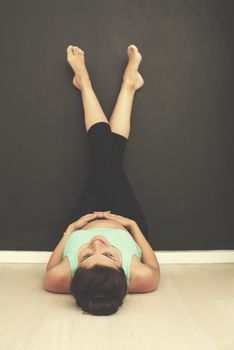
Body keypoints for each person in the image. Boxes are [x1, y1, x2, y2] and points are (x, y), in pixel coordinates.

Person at [44, 44, 160, 316]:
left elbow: (50, 269)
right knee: (107, 159)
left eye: (85, 256)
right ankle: (89, 83)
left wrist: (73, 229)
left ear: (75, 275)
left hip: (85, 214)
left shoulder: (60, 281)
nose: (97, 244)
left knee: (106, 158)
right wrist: (130, 225)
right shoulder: (140, 279)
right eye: (108, 255)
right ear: (122, 271)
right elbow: (154, 268)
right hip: (126, 216)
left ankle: (120, 84)